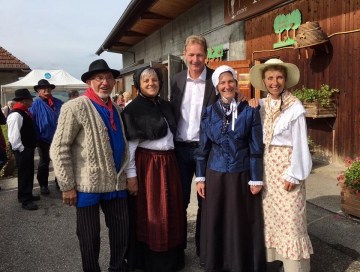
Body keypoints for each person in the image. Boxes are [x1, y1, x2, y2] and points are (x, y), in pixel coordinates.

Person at [50, 59, 130, 272]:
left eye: (109, 78)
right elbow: (59, 148)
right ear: (89, 82)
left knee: (121, 230)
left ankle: (117, 267)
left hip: (116, 182)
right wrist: (67, 185)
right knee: (89, 236)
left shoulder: (116, 109)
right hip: (88, 185)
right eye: (99, 78)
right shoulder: (74, 107)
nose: (105, 82)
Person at [195, 66, 266, 272]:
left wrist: (256, 178)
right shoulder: (208, 113)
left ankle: (240, 264)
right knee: (217, 218)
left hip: (241, 174)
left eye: (230, 81)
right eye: (222, 83)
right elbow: (203, 148)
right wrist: (200, 178)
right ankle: (218, 263)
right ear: (217, 86)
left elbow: (255, 147)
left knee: (239, 221)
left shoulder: (249, 110)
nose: (227, 86)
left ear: (236, 83)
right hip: (215, 174)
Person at [249, 58, 313, 272]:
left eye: (278, 77)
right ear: (264, 81)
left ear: (285, 80)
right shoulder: (263, 104)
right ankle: (275, 263)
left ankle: (295, 267)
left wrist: (294, 174)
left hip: (286, 168)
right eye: (270, 78)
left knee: (291, 219)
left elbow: (300, 144)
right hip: (268, 170)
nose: (274, 82)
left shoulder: (295, 107)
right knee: (272, 218)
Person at [122, 67, 184, 272]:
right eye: (146, 80)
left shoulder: (165, 105)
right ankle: (152, 261)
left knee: (172, 208)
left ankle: (172, 258)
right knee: (153, 211)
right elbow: (130, 145)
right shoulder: (133, 108)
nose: (151, 83)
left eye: (155, 80)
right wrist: (131, 175)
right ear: (138, 84)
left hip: (168, 162)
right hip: (148, 165)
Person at [170, 34, 219, 259]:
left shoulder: (215, 80)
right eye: (191, 54)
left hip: (205, 150)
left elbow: (229, 101)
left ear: (206, 55)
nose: (195, 59)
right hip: (179, 149)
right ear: (184, 55)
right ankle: (178, 249)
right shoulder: (177, 80)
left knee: (205, 202)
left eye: (199, 54)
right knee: (179, 201)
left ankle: (203, 250)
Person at [7, 89, 40, 210]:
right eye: (30, 99)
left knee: (29, 172)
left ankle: (27, 194)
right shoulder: (16, 114)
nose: (32, 101)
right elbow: (13, 136)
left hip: (27, 148)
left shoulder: (23, 112)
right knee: (24, 173)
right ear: (25, 100)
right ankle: (25, 200)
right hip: (22, 149)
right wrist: (22, 149)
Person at [30, 79, 63, 195]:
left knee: (60, 161)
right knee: (44, 162)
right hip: (43, 139)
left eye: (48, 87)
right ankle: (43, 185)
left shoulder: (59, 102)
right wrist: (37, 137)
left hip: (59, 138)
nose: (46, 89)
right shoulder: (34, 105)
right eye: (43, 88)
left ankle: (60, 182)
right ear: (39, 90)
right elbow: (32, 123)